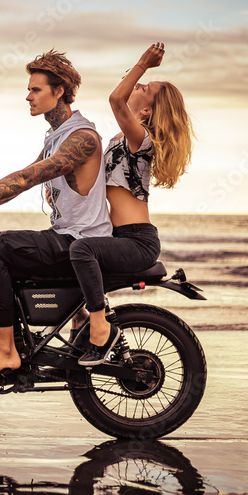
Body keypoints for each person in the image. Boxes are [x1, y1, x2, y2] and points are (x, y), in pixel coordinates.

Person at [0, 50, 112, 385]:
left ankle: (4, 349)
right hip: (67, 236)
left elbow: (24, 178)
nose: (27, 96)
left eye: (35, 89)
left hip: (81, 242)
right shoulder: (56, 137)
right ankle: (11, 335)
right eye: (29, 89)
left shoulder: (82, 138)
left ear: (59, 91)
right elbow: (23, 181)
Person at [69, 42, 194, 366]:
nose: (137, 84)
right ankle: (81, 320)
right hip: (119, 237)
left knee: (83, 251)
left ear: (147, 111)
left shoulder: (141, 140)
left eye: (145, 88)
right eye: (138, 83)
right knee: (68, 247)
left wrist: (144, 64)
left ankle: (101, 329)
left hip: (136, 240)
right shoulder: (120, 140)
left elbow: (115, 98)